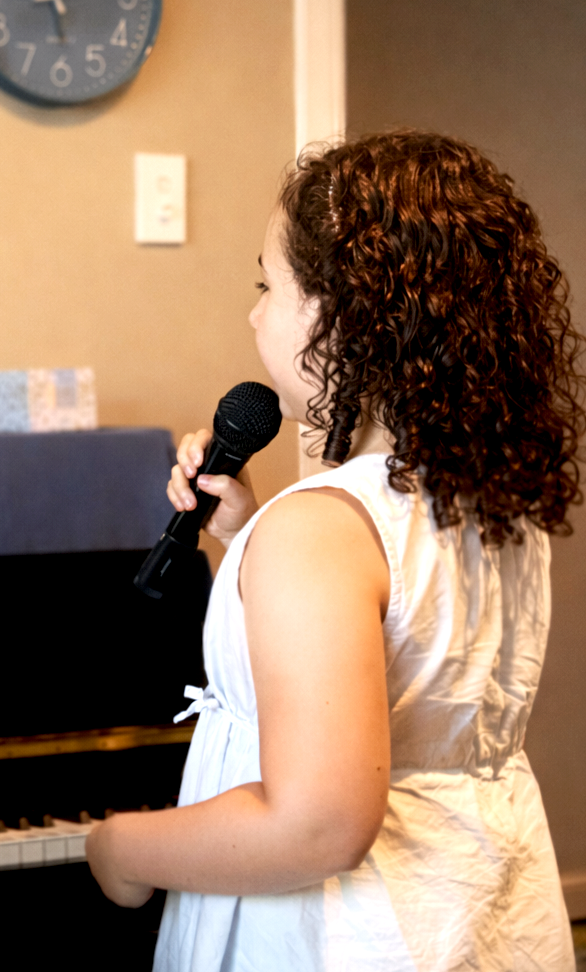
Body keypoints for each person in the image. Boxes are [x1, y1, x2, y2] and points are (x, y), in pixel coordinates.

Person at [86, 130, 582, 970]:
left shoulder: (319, 532)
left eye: (266, 284)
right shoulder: (494, 497)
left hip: (341, 935)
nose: (253, 313)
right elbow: (412, 662)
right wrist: (246, 536)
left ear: (341, 315)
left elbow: (315, 825)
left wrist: (122, 849)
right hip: (478, 915)